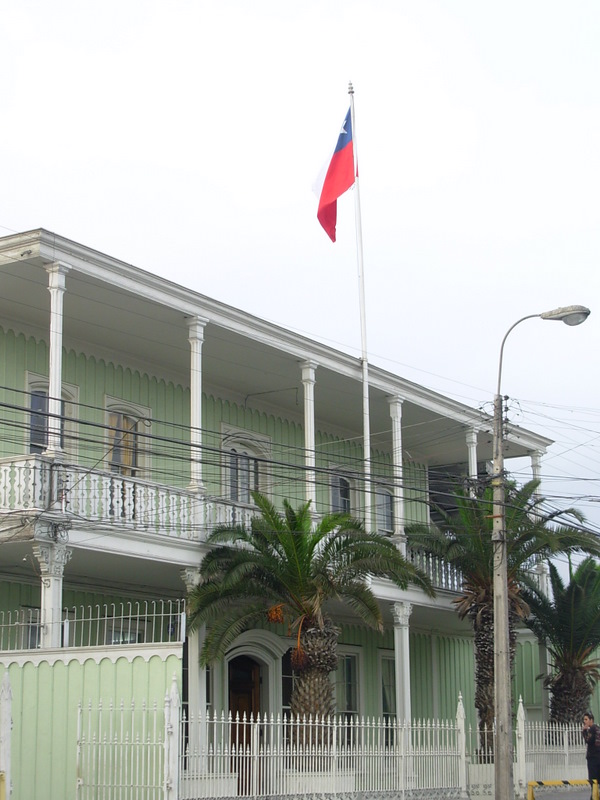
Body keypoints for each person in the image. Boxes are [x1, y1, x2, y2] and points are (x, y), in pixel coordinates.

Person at [583, 712, 600, 800]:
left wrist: (584, 731)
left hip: (593, 758)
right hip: (597, 757)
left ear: (591, 720)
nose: (584, 721)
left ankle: (594, 797)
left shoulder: (592, 729)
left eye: (586, 719)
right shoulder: (597, 728)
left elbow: (588, 740)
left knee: (593, 780)